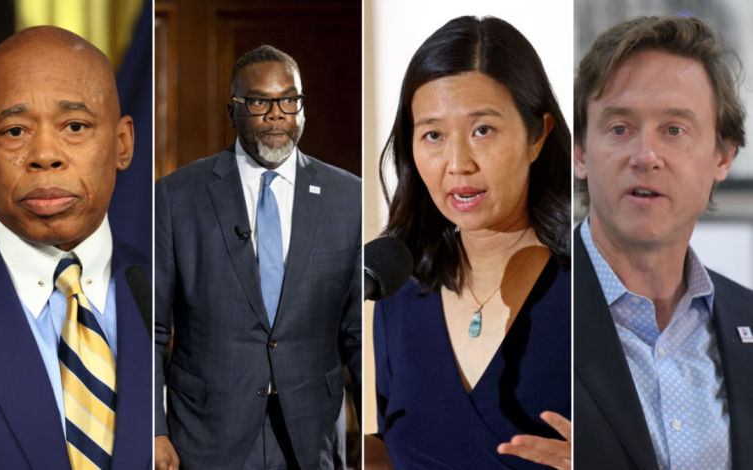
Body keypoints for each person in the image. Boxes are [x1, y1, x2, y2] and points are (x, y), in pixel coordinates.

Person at [367, 16, 572, 469]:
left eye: (482, 130)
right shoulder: (398, 289)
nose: (458, 163)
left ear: (537, 136)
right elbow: (402, 447)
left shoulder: (592, 285)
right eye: (434, 135)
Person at [154, 45, 361, 470]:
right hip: (206, 434)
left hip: (311, 435)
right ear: (232, 110)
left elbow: (358, 332)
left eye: (289, 100)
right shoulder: (177, 196)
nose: (276, 114)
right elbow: (150, 328)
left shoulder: (349, 197)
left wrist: (379, 434)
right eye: (259, 102)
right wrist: (153, 430)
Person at [573, 15, 752, 469]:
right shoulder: (531, 307)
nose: (645, 156)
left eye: (674, 130)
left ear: (721, 156)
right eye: (619, 128)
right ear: (579, 153)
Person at [0, 27, 152, 469]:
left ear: (123, 143)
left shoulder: (180, 289)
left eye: (74, 126)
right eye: (15, 131)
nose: (45, 154)